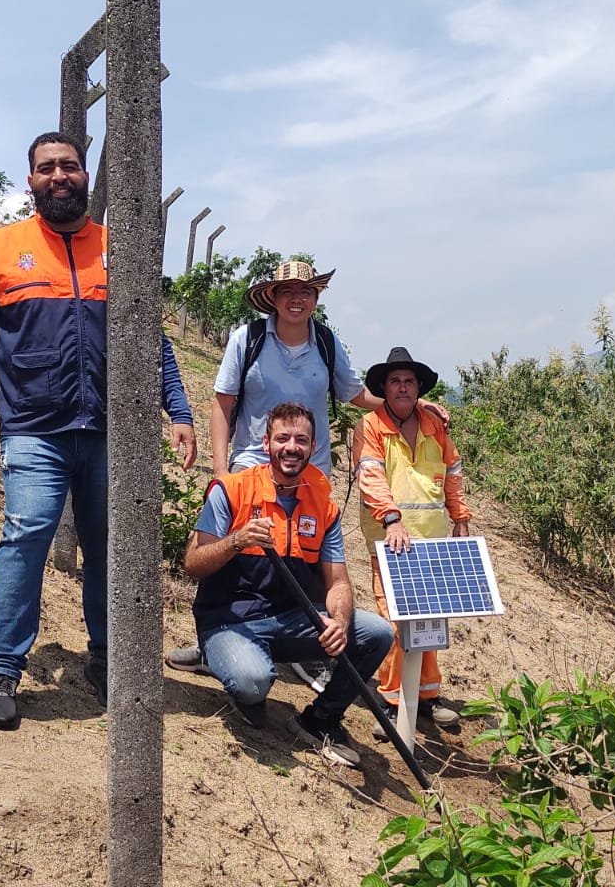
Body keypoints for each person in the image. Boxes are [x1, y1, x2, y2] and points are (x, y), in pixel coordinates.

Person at [0, 130, 197, 728]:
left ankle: (106, 657)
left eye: (69, 166)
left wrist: (180, 410)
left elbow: (153, 340)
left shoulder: (120, 251)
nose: (58, 176)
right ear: (31, 180)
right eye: (46, 168)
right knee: (28, 531)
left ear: (87, 176)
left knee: (108, 545)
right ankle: (5, 667)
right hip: (33, 425)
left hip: (111, 430)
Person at [184, 401, 393, 768]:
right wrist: (237, 540)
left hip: (289, 620)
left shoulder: (323, 506)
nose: (291, 447)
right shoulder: (231, 490)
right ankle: (221, 658)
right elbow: (193, 565)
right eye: (282, 438)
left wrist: (340, 623)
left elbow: (339, 582)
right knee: (252, 683)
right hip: (229, 621)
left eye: (301, 440)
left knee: (376, 632)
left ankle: (320, 718)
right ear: (267, 444)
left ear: (313, 448)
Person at [354, 348, 472, 729]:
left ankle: (426, 697)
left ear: (418, 388)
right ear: (384, 388)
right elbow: (370, 477)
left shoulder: (435, 425)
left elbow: (452, 472)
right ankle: (390, 703)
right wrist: (392, 520)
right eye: (395, 381)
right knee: (394, 622)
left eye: (408, 381)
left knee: (429, 620)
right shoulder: (370, 427)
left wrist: (460, 517)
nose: (402, 387)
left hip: (432, 541)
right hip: (390, 544)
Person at [209, 259, 383, 478]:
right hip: (253, 465)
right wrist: (221, 470)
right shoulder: (247, 339)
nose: (296, 299)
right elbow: (222, 404)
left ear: (316, 299)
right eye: (287, 291)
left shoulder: (327, 342)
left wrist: (413, 404)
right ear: (273, 297)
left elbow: (356, 394)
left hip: (311, 470)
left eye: (305, 292)